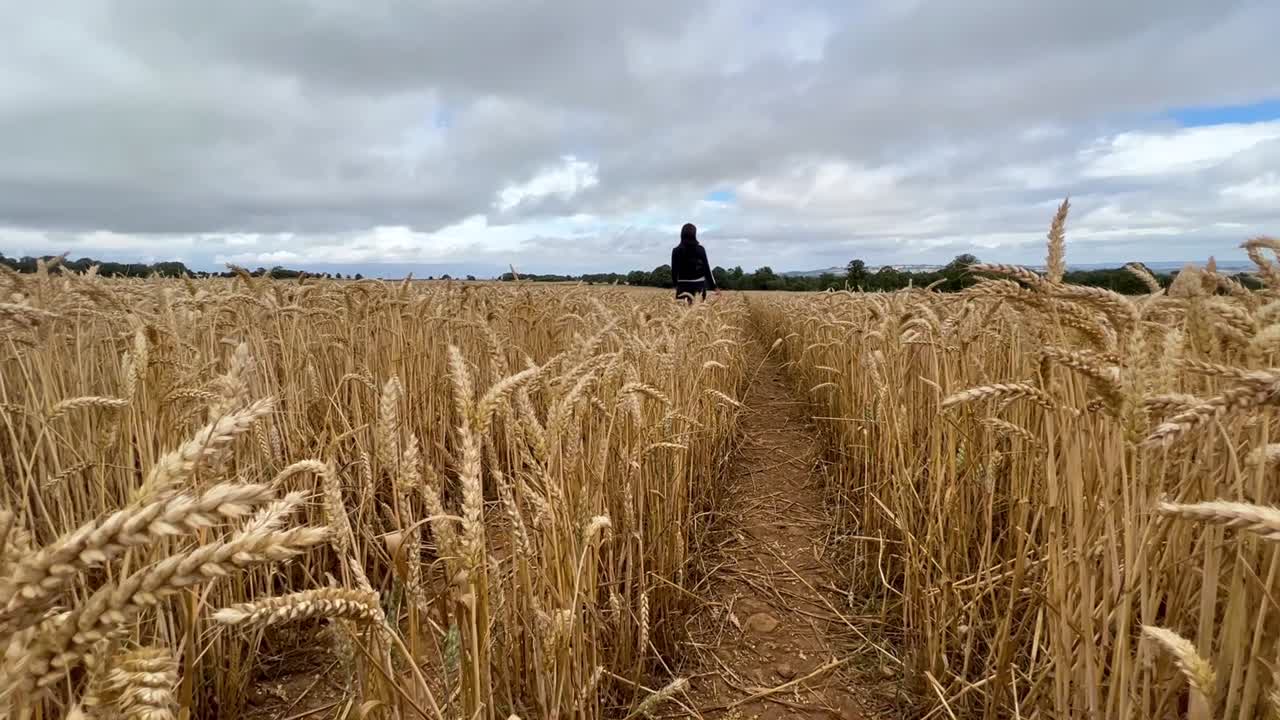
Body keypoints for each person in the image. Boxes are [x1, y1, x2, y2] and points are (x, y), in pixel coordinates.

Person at [671, 223, 719, 304]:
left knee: (681, 315)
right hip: (699, 287)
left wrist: (676, 285)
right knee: (699, 312)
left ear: (682, 235)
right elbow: (707, 269)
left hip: (682, 287)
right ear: (694, 234)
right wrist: (714, 287)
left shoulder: (676, 250)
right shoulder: (700, 249)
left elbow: (674, 272)